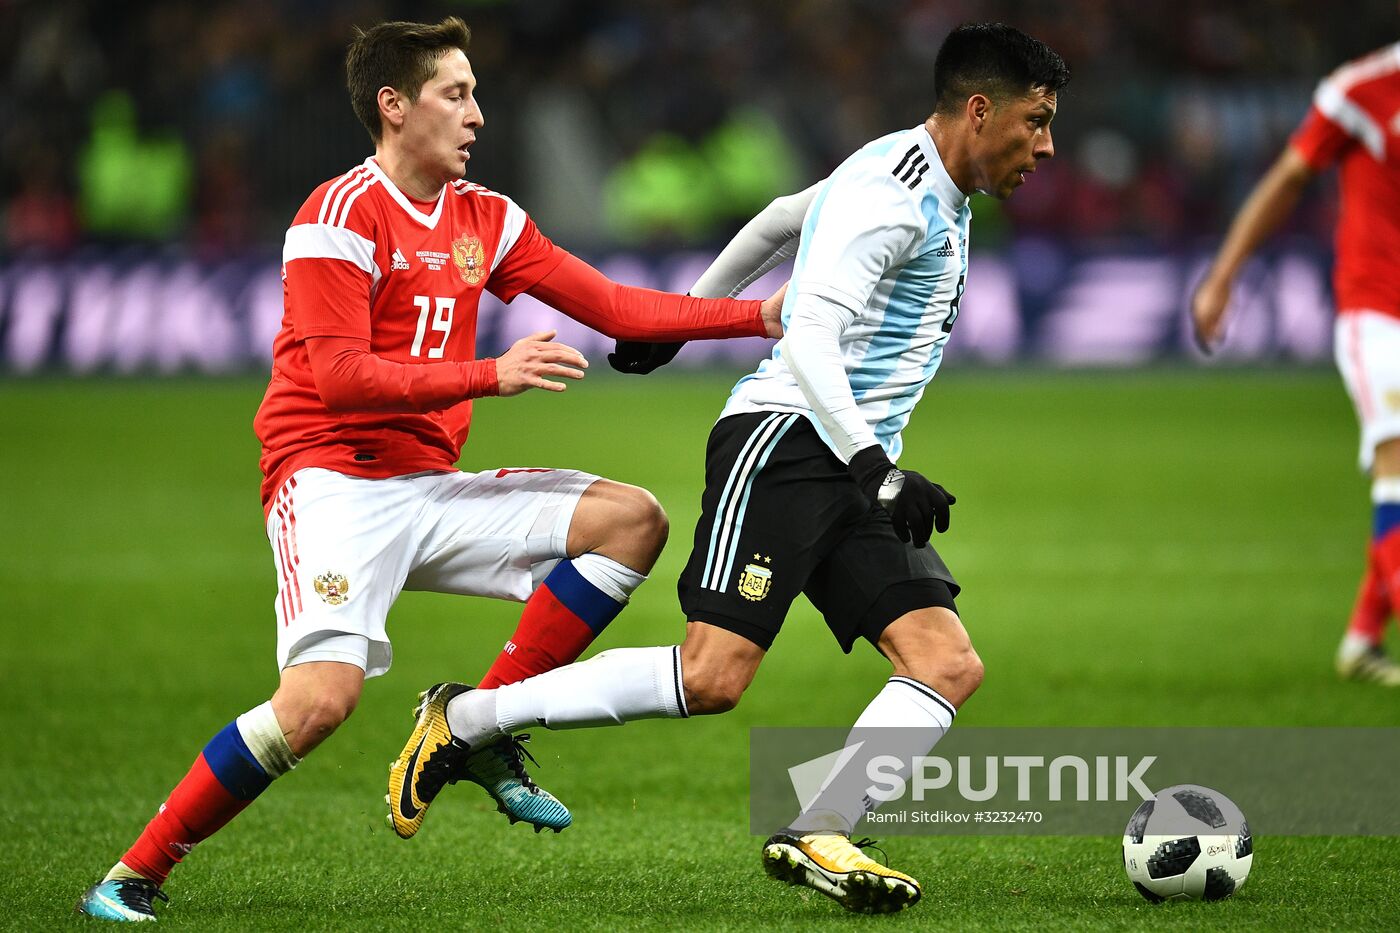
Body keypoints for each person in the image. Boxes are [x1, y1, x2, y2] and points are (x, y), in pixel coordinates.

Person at [77, 17, 784, 923]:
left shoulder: (484, 217)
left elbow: (613, 304)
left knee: (631, 519)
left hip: (424, 485)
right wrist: (490, 373)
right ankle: (133, 872)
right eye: (456, 94)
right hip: (330, 482)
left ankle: (473, 724)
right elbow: (338, 378)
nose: (477, 114)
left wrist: (756, 317)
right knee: (318, 703)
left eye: (477, 94)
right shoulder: (337, 216)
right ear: (394, 106)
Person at [398, 23, 1069, 914]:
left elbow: (785, 215)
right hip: (788, 442)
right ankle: (466, 717)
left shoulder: (910, 173)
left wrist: (684, 319)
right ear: (980, 110)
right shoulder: (893, 200)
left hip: (853, 459)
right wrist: (872, 464)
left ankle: (821, 827)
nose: (1048, 145)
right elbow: (815, 333)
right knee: (713, 675)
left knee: (944, 663)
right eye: (1038, 120)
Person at [1191, 26, 1400, 687]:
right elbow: (1288, 178)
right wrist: (1223, 274)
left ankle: (1362, 639)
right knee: (1398, 473)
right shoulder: (1360, 91)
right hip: (1379, 316)